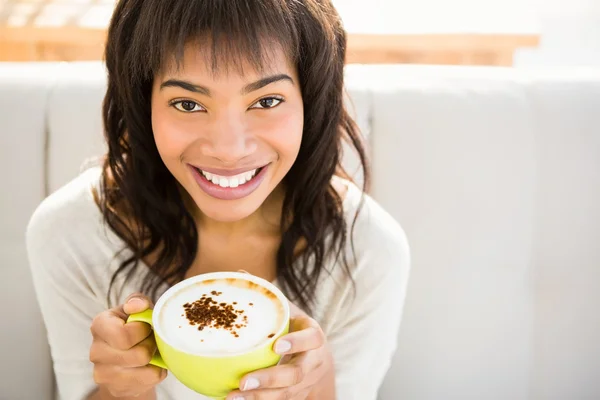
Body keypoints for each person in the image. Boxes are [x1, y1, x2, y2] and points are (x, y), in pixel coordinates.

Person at [26, 0, 411, 399]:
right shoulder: (71, 233)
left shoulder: (367, 250)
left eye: (266, 101)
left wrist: (318, 381)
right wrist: (122, 391)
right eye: (188, 103)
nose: (228, 149)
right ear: (143, 103)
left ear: (311, 101)